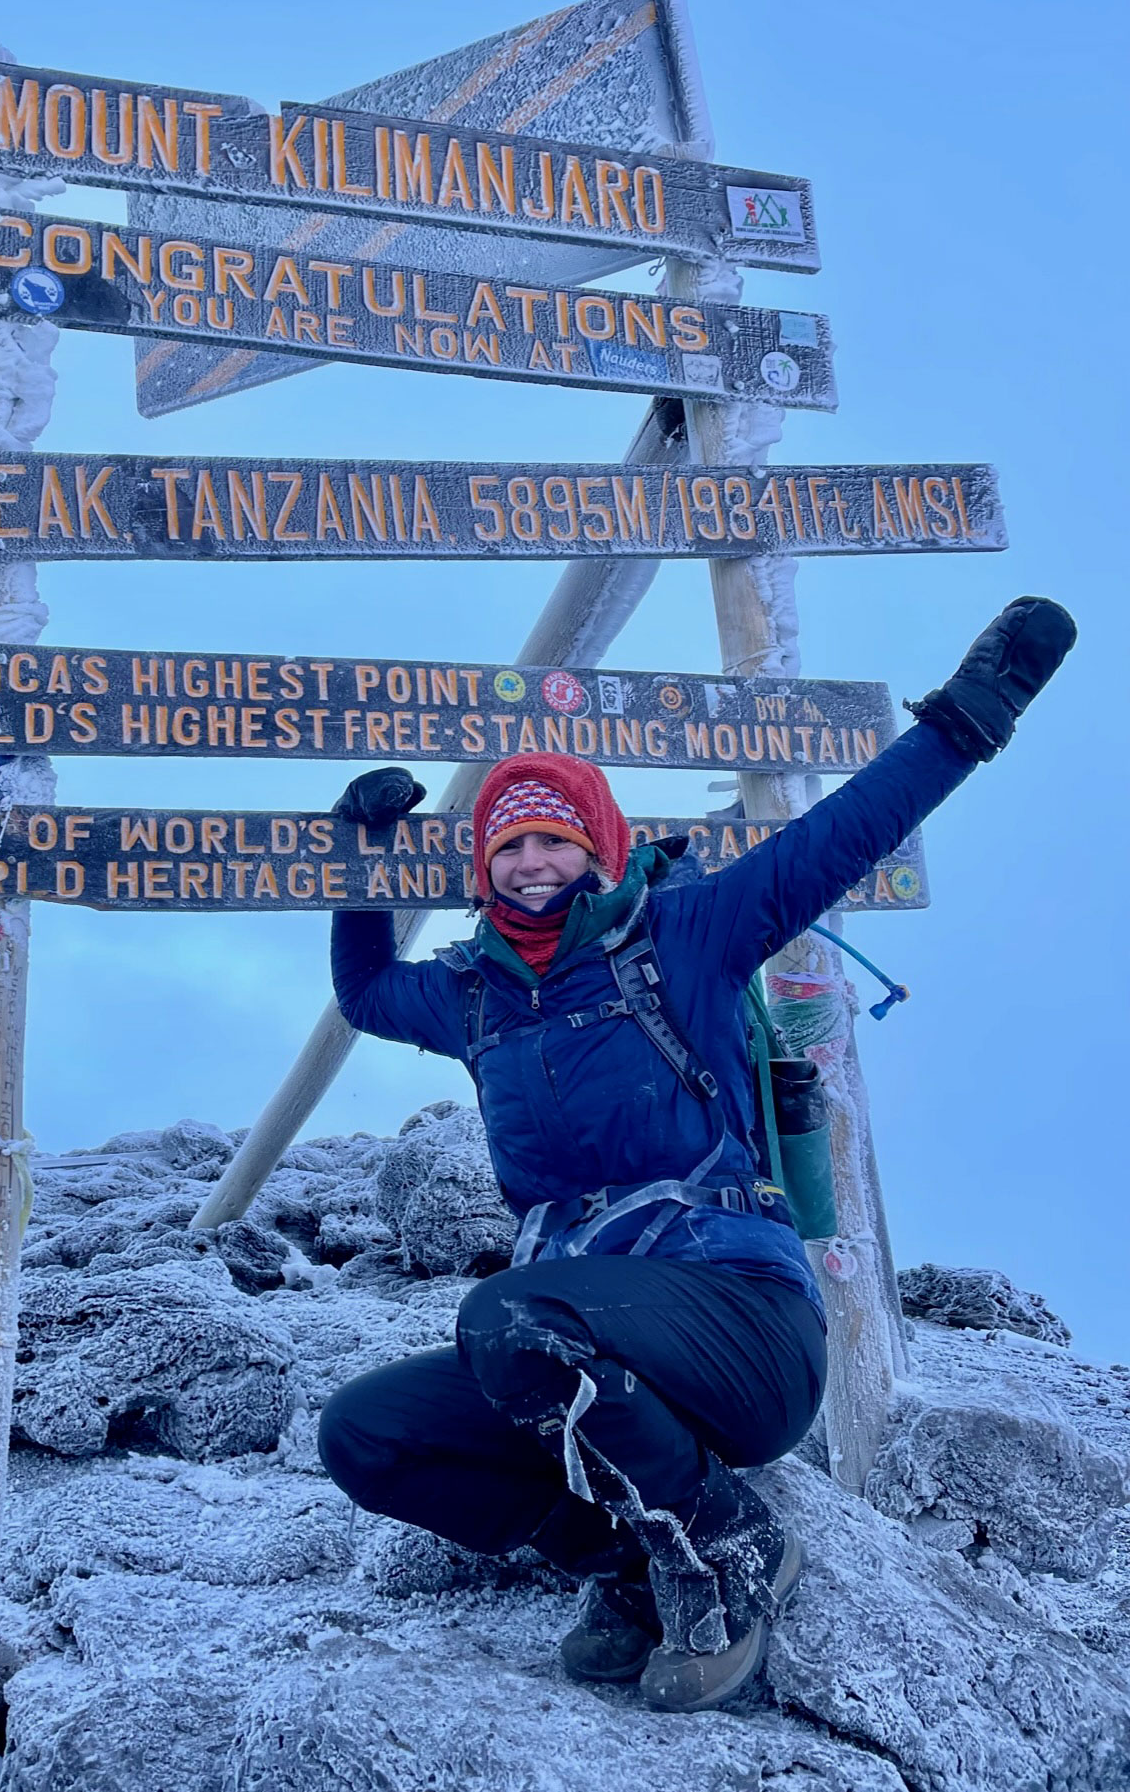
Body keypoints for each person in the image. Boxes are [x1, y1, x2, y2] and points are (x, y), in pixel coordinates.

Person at [316, 598, 1076, 1713]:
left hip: (743, 1328)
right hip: (599, 1344)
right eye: (511, 843)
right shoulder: (475, 996)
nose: (532, 863)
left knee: (510, 1314)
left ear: (601, 845)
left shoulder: (684, 935)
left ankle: (727, 1548)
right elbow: (368, 994)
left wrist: (972, 717)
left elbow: (842, 836)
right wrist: (357, 853)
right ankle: (626, 1557)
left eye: (556, 839)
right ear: (486, 864)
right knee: (364, 1435)